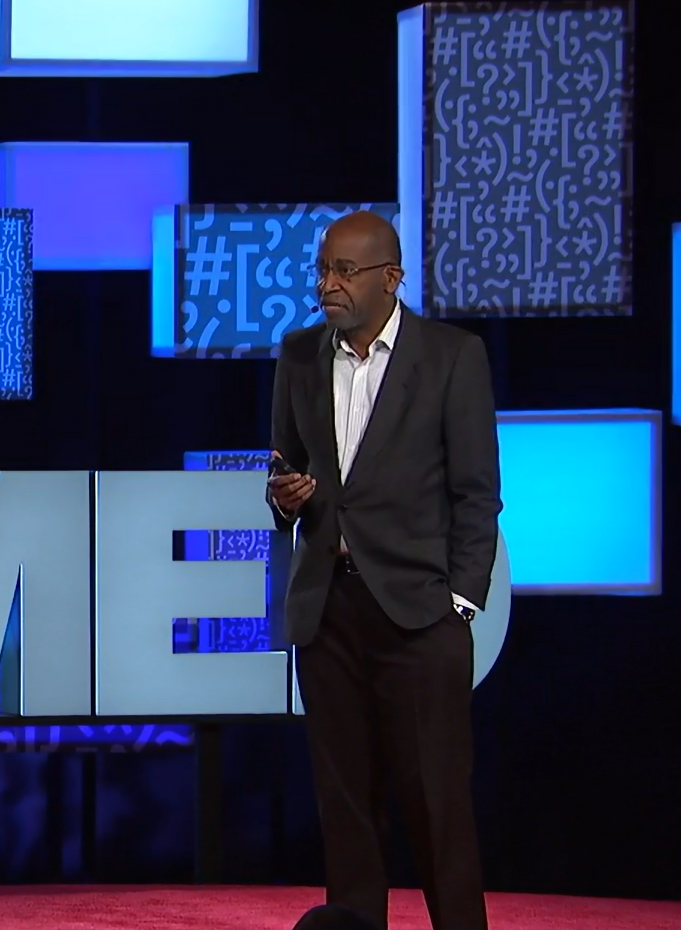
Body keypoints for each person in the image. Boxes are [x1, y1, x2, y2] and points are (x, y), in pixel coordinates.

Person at [267, 212, 501, 930]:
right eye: (322, 270)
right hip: (328, 611)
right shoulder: (299, 354)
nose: (327, 285)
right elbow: (286, 470)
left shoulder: (451, 357)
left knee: (435, 801)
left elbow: (476, 493)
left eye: (344, 271)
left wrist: (458, 601)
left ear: (390, 277)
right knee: (344, 803)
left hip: (419, 616)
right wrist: (282, 500)